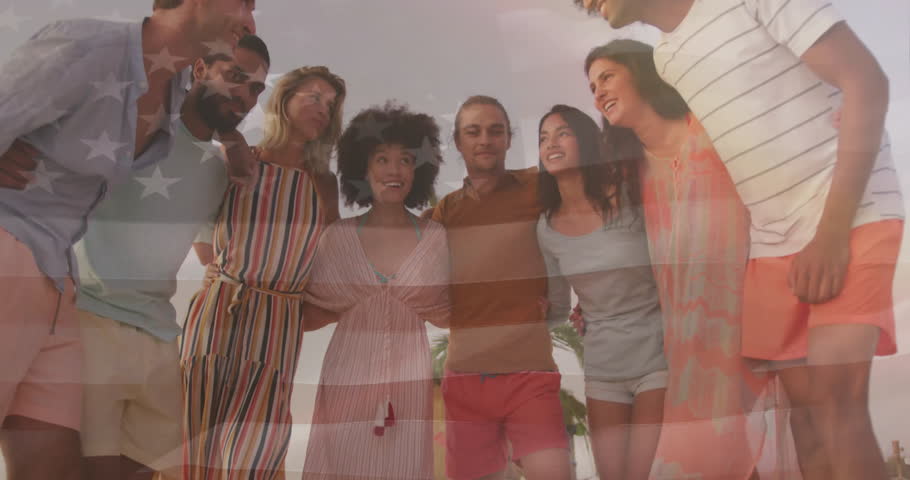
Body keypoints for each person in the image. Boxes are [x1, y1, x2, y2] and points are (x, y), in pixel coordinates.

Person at [577, 1, 905, 478]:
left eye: (606, 77)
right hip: (773, 246)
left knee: (837, 404)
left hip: (849, 217)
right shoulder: (669, 58)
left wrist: (831, 234)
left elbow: (867, 82)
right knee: (807, 426)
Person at [0, 1, 256, 478]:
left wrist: (233, 140)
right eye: (243, 2)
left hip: (59, 288)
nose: (251, 19)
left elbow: (209, 111)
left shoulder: (172, 94)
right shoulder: (88, 45)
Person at [576, 40, 776, 479]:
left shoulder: (711, 130)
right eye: (591, 86)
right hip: (682, 342)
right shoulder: (626, 171)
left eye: (606, 77)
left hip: (748, 322)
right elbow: (623, 250)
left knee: (742, 444)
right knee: (709, 452)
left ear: (642, 71)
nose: (598, 93)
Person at [180, 66, 345, 479]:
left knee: (258, 450)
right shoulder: (239, 161)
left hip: (280, 322)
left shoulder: (322, 183)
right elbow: (203, 244)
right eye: (313, 97)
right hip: (218, 311)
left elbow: (331, 264)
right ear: (284, 101)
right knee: (193, 434)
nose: (322, 109)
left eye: (330, 104)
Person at [300, 103, 450, 479]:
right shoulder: (337, 238)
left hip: (410, 383)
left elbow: (454, 311)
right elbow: (309, 314)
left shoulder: (435, 238)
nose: (393, 170)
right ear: (363, 170)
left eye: (405, 160)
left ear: (419, 170)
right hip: (346, 378)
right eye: (381, 159)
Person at [431, 95, 571, 480]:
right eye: (472, 132)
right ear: (458, 143)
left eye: (495, 131)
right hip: (465, 379)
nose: (485, 140)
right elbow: (400, 254)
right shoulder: (445, 213)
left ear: (509, 139)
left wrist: (564, 300)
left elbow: (581, 210)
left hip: (530, 374)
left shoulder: (537, 186)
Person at [537, 104, 667, 480]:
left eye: (563, 133)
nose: (551, 143)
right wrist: (533, 310)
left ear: (586, 142)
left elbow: (669, 262)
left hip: (657, 357)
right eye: (544, 137)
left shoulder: (627, 198)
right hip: (602, 367)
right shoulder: (546, 228)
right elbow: (560, 307)